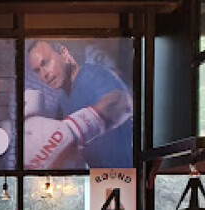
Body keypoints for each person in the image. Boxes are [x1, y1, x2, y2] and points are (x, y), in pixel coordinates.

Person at [24, 40, 133, 170]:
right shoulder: (62, 101)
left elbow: (122, 102)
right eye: (37, 71)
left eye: (45, 63)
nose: (44, 74)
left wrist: (72, 130)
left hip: (123, 174)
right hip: (96, 177)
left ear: (64, 53)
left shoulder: (92, 75)